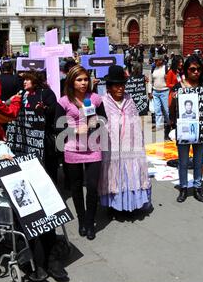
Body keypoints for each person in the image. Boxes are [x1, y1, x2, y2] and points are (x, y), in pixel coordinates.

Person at [0, 115, 68, 282]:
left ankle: (52, 260)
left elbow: (15, 166)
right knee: (23, 213)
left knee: (44, 208)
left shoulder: (0, 145)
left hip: (10, 187)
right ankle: (32, 264)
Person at [55, 65, 106, 240]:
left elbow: (104, 120)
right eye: (79, 80)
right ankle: (82, 220)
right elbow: (57, 126)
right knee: (76, 188)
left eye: (85, 79)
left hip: (94, 148)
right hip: (72, 150)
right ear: (71, 81)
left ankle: (91, 222)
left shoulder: (95, 98)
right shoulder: (63, 102)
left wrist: (96, 123)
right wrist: (75, 131)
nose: (84, 83)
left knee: (92, 187)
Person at [99, 65, 152, 214]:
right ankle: (113, 206)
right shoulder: (103, 102)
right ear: (109, 87)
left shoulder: (129, 100)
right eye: (116, 85)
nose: (120, 88)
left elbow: (135, 120)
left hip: (130, 146)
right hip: (112, 147)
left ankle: (131, 204)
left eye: (122, 85)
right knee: (113, 174)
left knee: (131, 173)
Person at [170, 55, 203, 203]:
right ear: (186, 70)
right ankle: (184, 188)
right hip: (184, 129)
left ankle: (198, 188)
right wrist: (173, 100)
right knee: (183, 160)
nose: (196, 72)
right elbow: (171, 109)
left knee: (199, 160)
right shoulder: (178, 87)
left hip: (201, 129)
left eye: (199, 69)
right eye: (192, 69)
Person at [6, 71, 58, 183]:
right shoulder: (21, 93)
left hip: (44, 138)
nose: (24, 82)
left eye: (27, 79)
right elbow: (8, 105)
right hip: (26, 140)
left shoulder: (46, 93)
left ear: (35, 81)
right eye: (24, 79)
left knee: (48, 166)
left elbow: (54, 111)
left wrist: (44, 109)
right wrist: (11, 100)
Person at [150, 54, 170, 138]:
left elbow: (173, 78)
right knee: (157, 109)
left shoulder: (166, 68)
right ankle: (159, 125)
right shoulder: (153, 68)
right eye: (155, 60)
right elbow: (151, 81)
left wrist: (167, 78)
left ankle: (169, 124)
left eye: (156, 60)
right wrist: (149, 92)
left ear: (161, 61)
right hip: (155, 91)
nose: (155, 62)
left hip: (164, 91)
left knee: (166, 109)